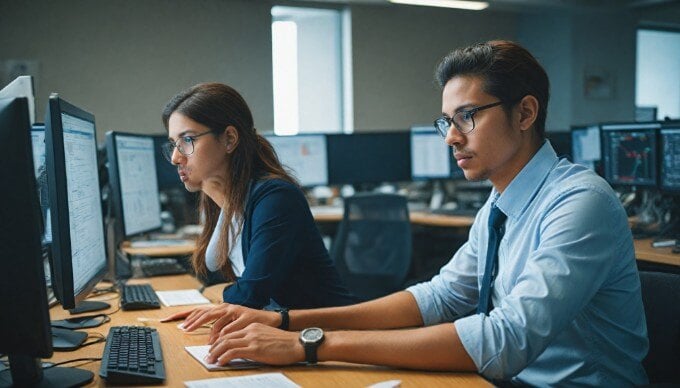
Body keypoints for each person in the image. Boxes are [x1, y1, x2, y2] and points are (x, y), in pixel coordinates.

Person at [180, 41, 649, 386]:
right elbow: (437, 299)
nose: (450, 137)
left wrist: (310, 344)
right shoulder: (500, 206)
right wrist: (287, 323)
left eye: (468, 116)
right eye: (446, 121)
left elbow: (505, 341)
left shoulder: (580, 202)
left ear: (525, 113)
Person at [159, 83, 355, 322]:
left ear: (229, 139)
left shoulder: (276, 198)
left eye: (187, 140)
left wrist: (219, 300)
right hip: (283, 337)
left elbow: (251, 294)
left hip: (328, 340)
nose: (175, 157)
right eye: (173, 144)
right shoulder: (224, 201)